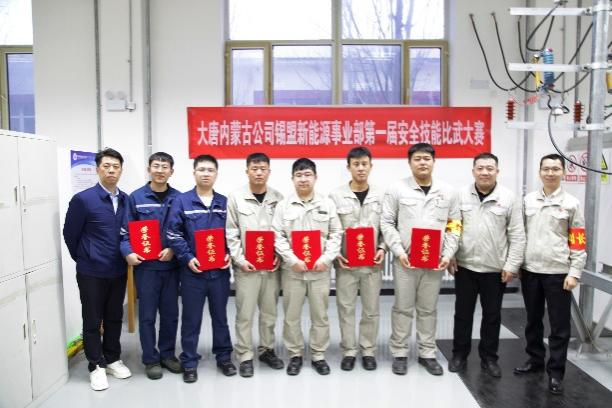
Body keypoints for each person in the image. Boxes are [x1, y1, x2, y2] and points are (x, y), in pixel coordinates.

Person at [380, 143, 460, 376]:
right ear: (409, 162)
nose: (422, 162)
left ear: (434, 161)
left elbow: (454, 225)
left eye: (427, 158)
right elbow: (387, 222)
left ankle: (427, 353)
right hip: (405, 262)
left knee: (428, 309)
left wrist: (447, 254)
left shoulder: (448, 191)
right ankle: (400, 353)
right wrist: (399, 251)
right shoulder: (397, 189)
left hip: (435, 262)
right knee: (402, 308)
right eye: (417, 159)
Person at [514, 153, 586, 395]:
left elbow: (578, 240)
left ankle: (555, 372)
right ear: (540, 172)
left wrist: (574, 272)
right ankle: (535, 360)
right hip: (531, 271)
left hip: (558, 273)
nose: (550, 173)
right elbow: (519, 234)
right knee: (532, 321)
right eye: (546, 169)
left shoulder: (572, 203)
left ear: (563, 172)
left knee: (559, 326)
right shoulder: (528, 201)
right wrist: (517, 264)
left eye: (555, 169)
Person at [448, 152, 525, 377]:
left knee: (492, 316)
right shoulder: (460, 195)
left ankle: (489, 358)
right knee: (462, 314)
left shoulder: (509, 198)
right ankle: (459, 354)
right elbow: (453, 227)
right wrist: (450, 254)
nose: (485, 172)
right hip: (465, 266)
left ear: (497, 172)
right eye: (480, 168)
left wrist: (511, 265)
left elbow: (517, 234)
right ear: (473, 171)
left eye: (489, 168)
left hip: (495, 269)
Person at [63, 148, 132, 391]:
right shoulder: (83, 199)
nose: (111, 170)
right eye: (106, 166)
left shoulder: (126, 200)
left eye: (116, 166)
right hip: (91, 271)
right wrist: (85, 257)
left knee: (114, 317)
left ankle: (112, 359)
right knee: (92, 320)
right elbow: (70, 234)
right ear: (97, 169)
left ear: (121, 170)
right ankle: (96, 365)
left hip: (118, 270)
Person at [166, 154, 236, 383]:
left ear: (216, 174)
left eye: (210, 170)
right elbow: (173, 233)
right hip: (192, 273)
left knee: (220, 317)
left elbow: (233, 233)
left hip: (219, 273)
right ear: (194, 172)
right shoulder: (182, 201)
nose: (206, 174)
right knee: (191, 319)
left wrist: (228, 254)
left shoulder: (224, 203)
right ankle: (189, 362)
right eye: (202, 170)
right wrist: (187, 258)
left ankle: (224, 357)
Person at [272, 158, 342, 376]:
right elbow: (277, 236)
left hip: (320, 271)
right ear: (292, 178)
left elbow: (336, 233)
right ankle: (295, 354)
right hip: (293, 271)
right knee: (291, 316)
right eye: (299, 175)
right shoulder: (283, 206)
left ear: (315, 177)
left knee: (320, 315)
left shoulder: (327, 204)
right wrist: (292, 259)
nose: (303, 179)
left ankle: (318, 355)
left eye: (307, 175)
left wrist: (327, 258)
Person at [119, 152, 182, 380]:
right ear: (149, 169)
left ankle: (167, 355)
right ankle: (150, 359)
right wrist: (128, 253)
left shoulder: (179, 198)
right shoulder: (136, 198)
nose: (160, 170)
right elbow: (125, 233)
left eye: (165, 167)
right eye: (156, 166)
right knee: (146, 316)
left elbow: (184, 231)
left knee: (170, 314)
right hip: (146, 269)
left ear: (171, 171)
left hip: (171, 268)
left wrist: (173, 249)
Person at [226, 152, 284, 377]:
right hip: (246, 269)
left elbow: (282, 232)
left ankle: (267, 350)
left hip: (271, 268)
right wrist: (240, 260)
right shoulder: (236, 197)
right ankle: (245, 355)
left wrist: (280, 255)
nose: (259, 173)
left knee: (269, 312)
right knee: (245, 313)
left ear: (269, 172)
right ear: (247, 171)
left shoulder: (278, 198)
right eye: (254, 169)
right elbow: (231, 233)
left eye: (263, 169)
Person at [329, 147, 386, 371]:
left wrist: (382, 248)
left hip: (373, 264)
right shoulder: (335, 196)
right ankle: (349, 351)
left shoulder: (382, 195)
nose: (360, 168)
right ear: (349, 167)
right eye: (356, 164)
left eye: (364, 164)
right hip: (346, 264)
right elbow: (331, 229)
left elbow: (388, 225)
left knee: (371, 309)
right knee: (346, 309)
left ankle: (368, 350)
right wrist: (335, 253)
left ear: (371, 166)